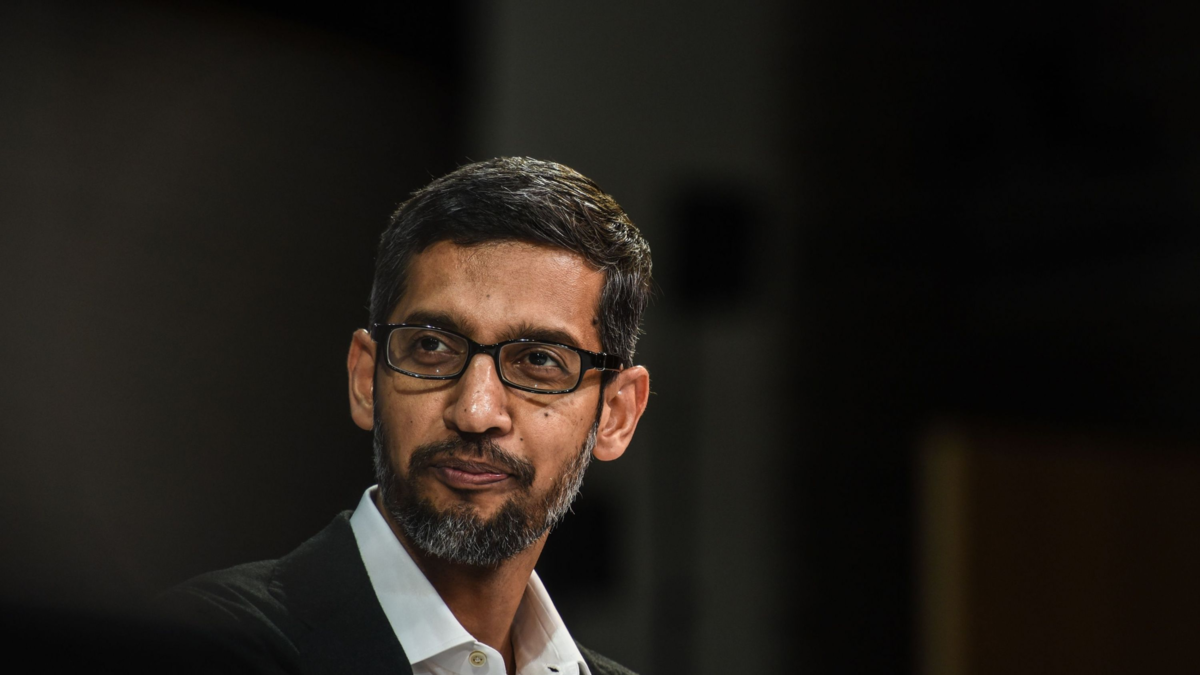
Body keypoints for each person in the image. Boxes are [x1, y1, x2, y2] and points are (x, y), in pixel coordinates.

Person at [161, 157, 652, 675]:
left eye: (539, 360)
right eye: (431, 346)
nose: (475, 412)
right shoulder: (204, 647)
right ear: (365, 381)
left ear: (616, 415)